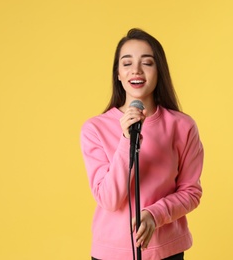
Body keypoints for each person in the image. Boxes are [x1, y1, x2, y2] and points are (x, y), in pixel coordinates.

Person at [80, 28, 204, 260]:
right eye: (126, 63)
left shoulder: (182, 126)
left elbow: (191, 191)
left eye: (147, 63)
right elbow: (109, 199)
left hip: (167, 251)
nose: (136, 70)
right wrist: (126, 140)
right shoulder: (94, 129)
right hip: (111, 254)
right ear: (117, 73)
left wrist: (154, 215)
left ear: (159, 71)